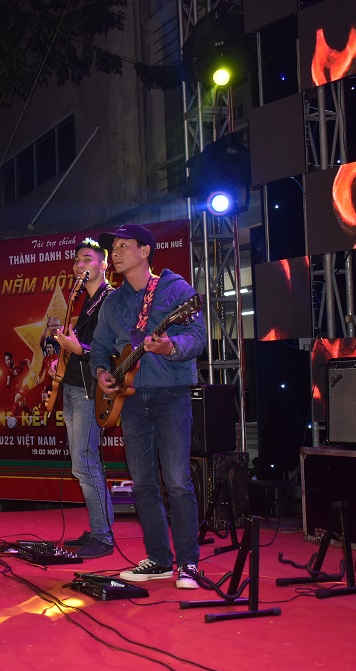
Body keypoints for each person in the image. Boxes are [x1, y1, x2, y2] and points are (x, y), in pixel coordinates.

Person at [88, 224, 206, 589]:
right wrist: (102, 372)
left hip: (171, 395)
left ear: (145, 251)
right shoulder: (112, 302)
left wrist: (171, 347)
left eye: (124, 245)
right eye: (113, 247)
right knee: (142, 484)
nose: (116, 252)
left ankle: (189, 563)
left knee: (177, 481)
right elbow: (99, 346)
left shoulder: (177, 290)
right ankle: (158, 559)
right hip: (132, 400)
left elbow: (197, 336)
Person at [51, 238, 116, 559]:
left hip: (91, 391)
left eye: (87, 259)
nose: (79, 265)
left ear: (104, 265)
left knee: (85, 463)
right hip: (74, 387)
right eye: (77, 260)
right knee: (83, 464)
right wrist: (61, 361)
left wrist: (79, 349)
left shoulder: (110, 300)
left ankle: (103, 536)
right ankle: (98, 528)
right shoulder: (85, 301)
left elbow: (116, 350)